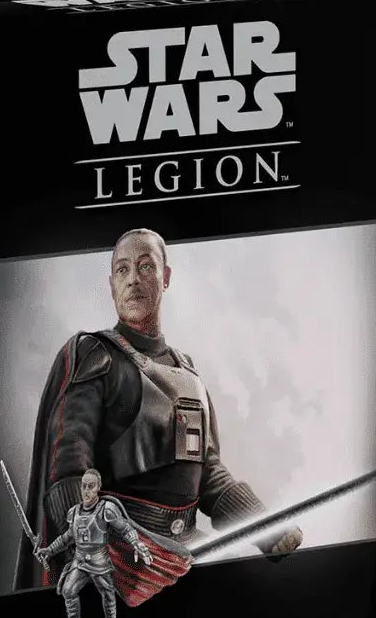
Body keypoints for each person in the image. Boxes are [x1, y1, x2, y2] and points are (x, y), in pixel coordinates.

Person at [17, 229, 301, 589]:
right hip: (120, 561)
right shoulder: (94, 355)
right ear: (111, 284)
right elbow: (68, 469)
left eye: (145, 266)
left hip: (184, 556)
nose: (133, 279)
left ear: (165, 277)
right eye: (122, 270)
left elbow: (207, 473)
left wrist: (265, 526)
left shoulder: (187, 372)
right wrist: (92, 553)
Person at [36, 469, 154, 618]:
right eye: (83, 486)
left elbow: (124, 528)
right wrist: (49, 550)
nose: (86, 490)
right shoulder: (74, 512)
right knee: (68, 591)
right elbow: (68, 537)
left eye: (91, 486)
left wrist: (137, 543)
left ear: (98, 487)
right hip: (80, 560)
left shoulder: (106, 509)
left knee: (107, 593)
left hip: (99, 560)